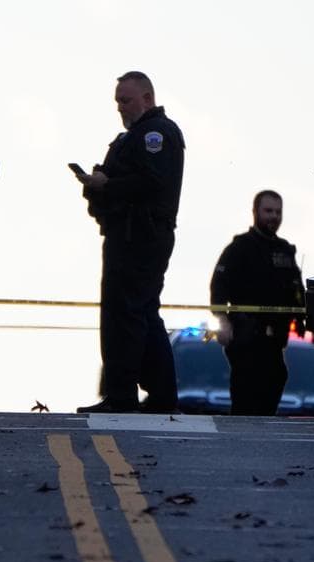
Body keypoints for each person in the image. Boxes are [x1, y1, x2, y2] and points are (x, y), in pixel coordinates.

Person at [75, 71, 185, 414]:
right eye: (118, 101)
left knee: (126, 314)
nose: (121, 107)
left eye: (127, 100)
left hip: (141, 235)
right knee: (141, 312)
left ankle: (122, 394)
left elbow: (151, 182)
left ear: (147, 98)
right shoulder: (130, 138)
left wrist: (107, 184)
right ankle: (160, 394)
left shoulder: (156, 134)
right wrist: (96, 185)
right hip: (128, 232)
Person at [210, 190, 305, 415]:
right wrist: (222, 321)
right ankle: (242, 444)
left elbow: (297, 291)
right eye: (268, 211)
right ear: (255, 212)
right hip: (246, 337)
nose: (273, 216)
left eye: (278, 212)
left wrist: (307, 321)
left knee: (276, 379)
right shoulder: (239, 248)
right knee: (246, 398)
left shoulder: (285, 250)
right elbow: (219, 286)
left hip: (275, 339)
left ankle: (261, 443)